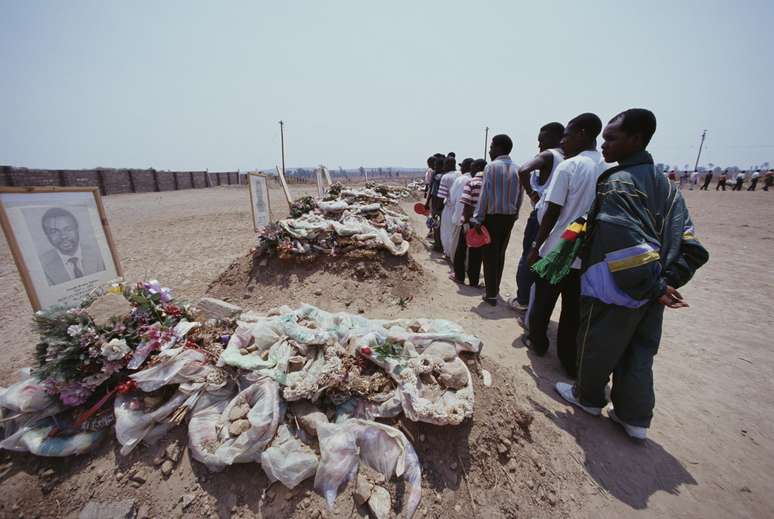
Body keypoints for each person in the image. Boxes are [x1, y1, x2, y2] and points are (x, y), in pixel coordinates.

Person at [555, 108, 709, 440]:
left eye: (611, 138)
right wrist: (666, 282)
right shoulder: (666, 186)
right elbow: (690, 242)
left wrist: (651, 284)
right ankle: (634, 418)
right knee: (640, 352)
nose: (604, 144)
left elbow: (622, 239)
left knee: (597, 344)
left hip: (618, 286)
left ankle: (589, 398)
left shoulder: (619, 183)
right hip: (654, 286)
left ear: (636, 140)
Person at [524, 113, 606, 377]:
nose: (563, 141)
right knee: (573, 312)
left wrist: (536, 246)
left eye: (567, 135)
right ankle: (568, 362)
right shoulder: (608, 168)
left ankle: (537, 343)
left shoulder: (570, 166)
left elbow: (552, 211)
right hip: (586, 253)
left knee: (543, 302)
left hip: (559, 249)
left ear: (582, 134)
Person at [509, 122, 565, 312]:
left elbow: (523, 170)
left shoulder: (549, 155)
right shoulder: (568, 158)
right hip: (558, 218)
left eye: (542, 140)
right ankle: (532, 301)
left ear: (556, 137)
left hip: (541, 215)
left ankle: (523, 299)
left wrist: (532, 194)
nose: (539, 145)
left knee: (529, 255)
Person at [471, 134, 522, 306]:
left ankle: (491, 294)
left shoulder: (491, 167)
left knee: (490, 256)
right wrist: (515, 214)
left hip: (492, 218)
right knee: (500, 254)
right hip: (509, 217)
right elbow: (520, 195)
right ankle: (495, 289)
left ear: (499, 147)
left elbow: (485, 194)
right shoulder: (518, 168)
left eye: (492, 146)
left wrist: (478, 218)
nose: (490, 150)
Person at [40, 207, 105, 286]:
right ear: (47, 235)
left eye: (68, 229)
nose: (63, 236)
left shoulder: (101, 253)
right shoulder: (41, 266)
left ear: (77, 230)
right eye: (54, 232)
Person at [453, 159, 486, 286]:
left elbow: (467, 205)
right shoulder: (489, 182)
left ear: (477, 168)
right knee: (476, 254)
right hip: (483, 223)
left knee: (461, 251)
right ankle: (473, 280)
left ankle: (459, 277)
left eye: (472, 168)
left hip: (470, 221)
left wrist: (466, 222)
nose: (470, 171)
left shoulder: (471, 182)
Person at [446, 158, 473, 266]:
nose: (460, 168)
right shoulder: (476, 179)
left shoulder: (461, 180)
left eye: (462, 166)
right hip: (473, 218)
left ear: (466, 167)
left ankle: (456, 266)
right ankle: (467, 265)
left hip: (459, 216)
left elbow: (452, 198)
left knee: (456, 242)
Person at [438, 156, 461, 258]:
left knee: (446, 231)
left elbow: (441, 196)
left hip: (450, 208)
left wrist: (437, 210)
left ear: (447, 165)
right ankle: (456, 254)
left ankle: (448, 253)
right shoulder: (461, 174)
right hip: (460, 208)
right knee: (456, 233)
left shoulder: (446, 177)